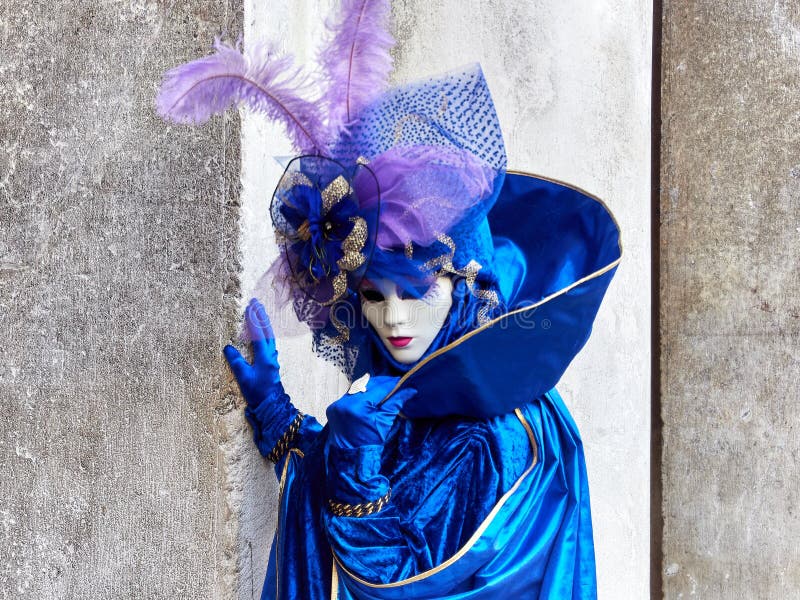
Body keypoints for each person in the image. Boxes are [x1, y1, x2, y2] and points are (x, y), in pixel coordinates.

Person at [157, 2, 621, 597]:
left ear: (463, 283)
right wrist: (279, 417)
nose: (394, 318)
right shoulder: (419, 393)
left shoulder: (496, 434)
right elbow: (383, 470)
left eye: (417, 290)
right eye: (374, 296)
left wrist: (354, 471)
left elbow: (399, 583)